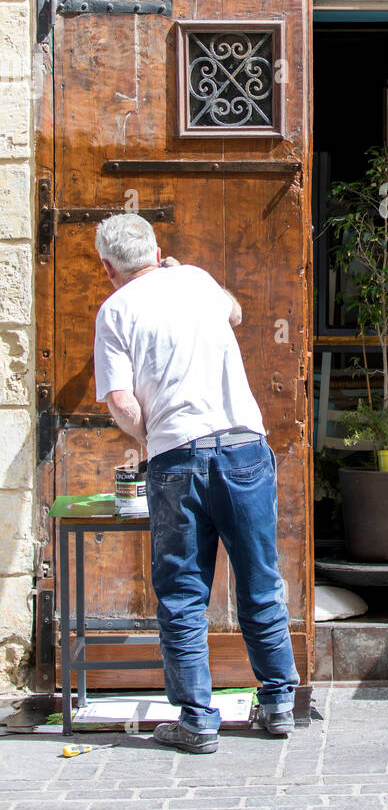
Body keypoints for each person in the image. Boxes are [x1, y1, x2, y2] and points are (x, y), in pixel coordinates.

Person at [92, 212, 299, 754]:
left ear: (107, 266)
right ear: (157, 252)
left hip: (177, 458)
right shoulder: (197, 280)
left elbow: (120, 401)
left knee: (184, 595)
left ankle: (197, 720)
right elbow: (234, 311)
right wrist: (185, 272)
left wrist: (153, 437)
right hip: (242, 447)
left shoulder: (113, 311)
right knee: (260, 580)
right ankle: (278, 704)